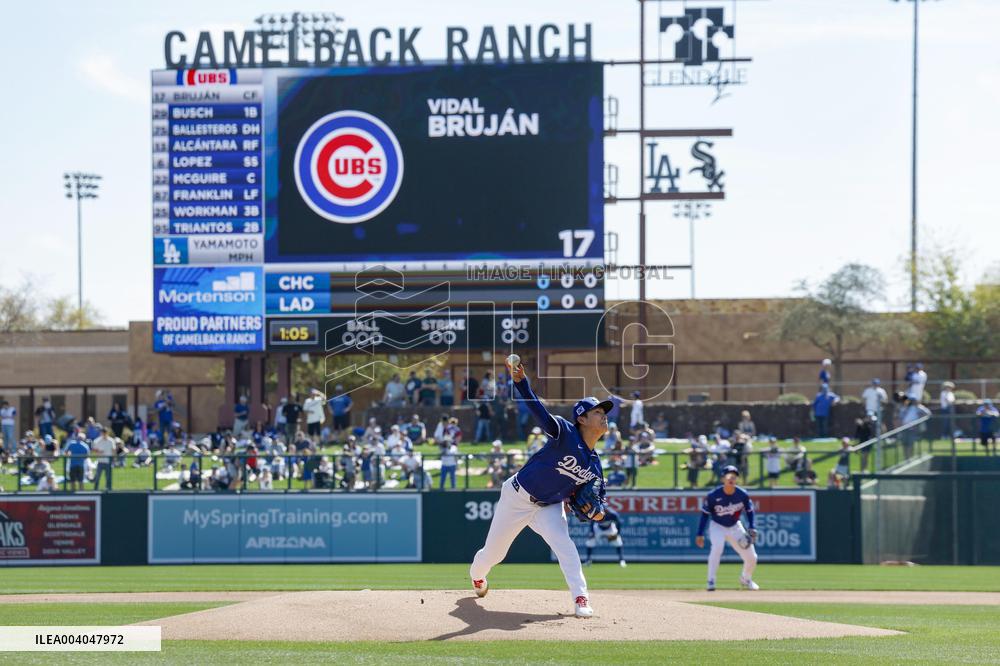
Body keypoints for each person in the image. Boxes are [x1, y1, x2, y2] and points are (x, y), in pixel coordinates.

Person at [470, 359, 610, 619]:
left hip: (549, 507)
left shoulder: (595, 465)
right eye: (598, 412)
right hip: (516, 496)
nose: (604, 416)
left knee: (566, 547)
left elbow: (600, 502)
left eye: (605, 413)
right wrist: (521, 382)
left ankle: (581, 598)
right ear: (582, 417)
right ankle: (477, 577)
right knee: (494, 554)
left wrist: (598, 513)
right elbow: (538, 411)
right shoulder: (565, 433)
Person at [695, 465, 759, 591]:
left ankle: (746, 578)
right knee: (717, 547)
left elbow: (750, 511)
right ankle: (711, 581)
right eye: (728, 476)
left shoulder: (742, 494)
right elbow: (705, 514)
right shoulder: (713, 495)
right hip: (717, 526)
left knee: (752, 557)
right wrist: (700, 533)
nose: (731, 478)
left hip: (735, 526)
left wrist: (752, 526)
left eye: (734, 476)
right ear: (723, 479)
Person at [91, 425, 115, 490]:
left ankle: (108, 489)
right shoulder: (97, 440)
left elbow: (113, 450)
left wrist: (113, 460)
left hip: (108, 462)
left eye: (105, 433)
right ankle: (95, 489)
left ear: (107, 433)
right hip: (100, 461)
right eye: (103, 433)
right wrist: (98, 451)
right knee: (97, 476)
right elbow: (93, 449)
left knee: (108, 477)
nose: (104, 434)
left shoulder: (111, 441)